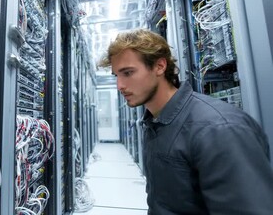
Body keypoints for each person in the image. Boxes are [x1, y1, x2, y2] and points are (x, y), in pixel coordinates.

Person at [100, 28, 273, 214]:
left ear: (160, 66)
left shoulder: (218, 129)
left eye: (128, 73)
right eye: (116, 76)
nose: (120, 86)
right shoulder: (154, 123)